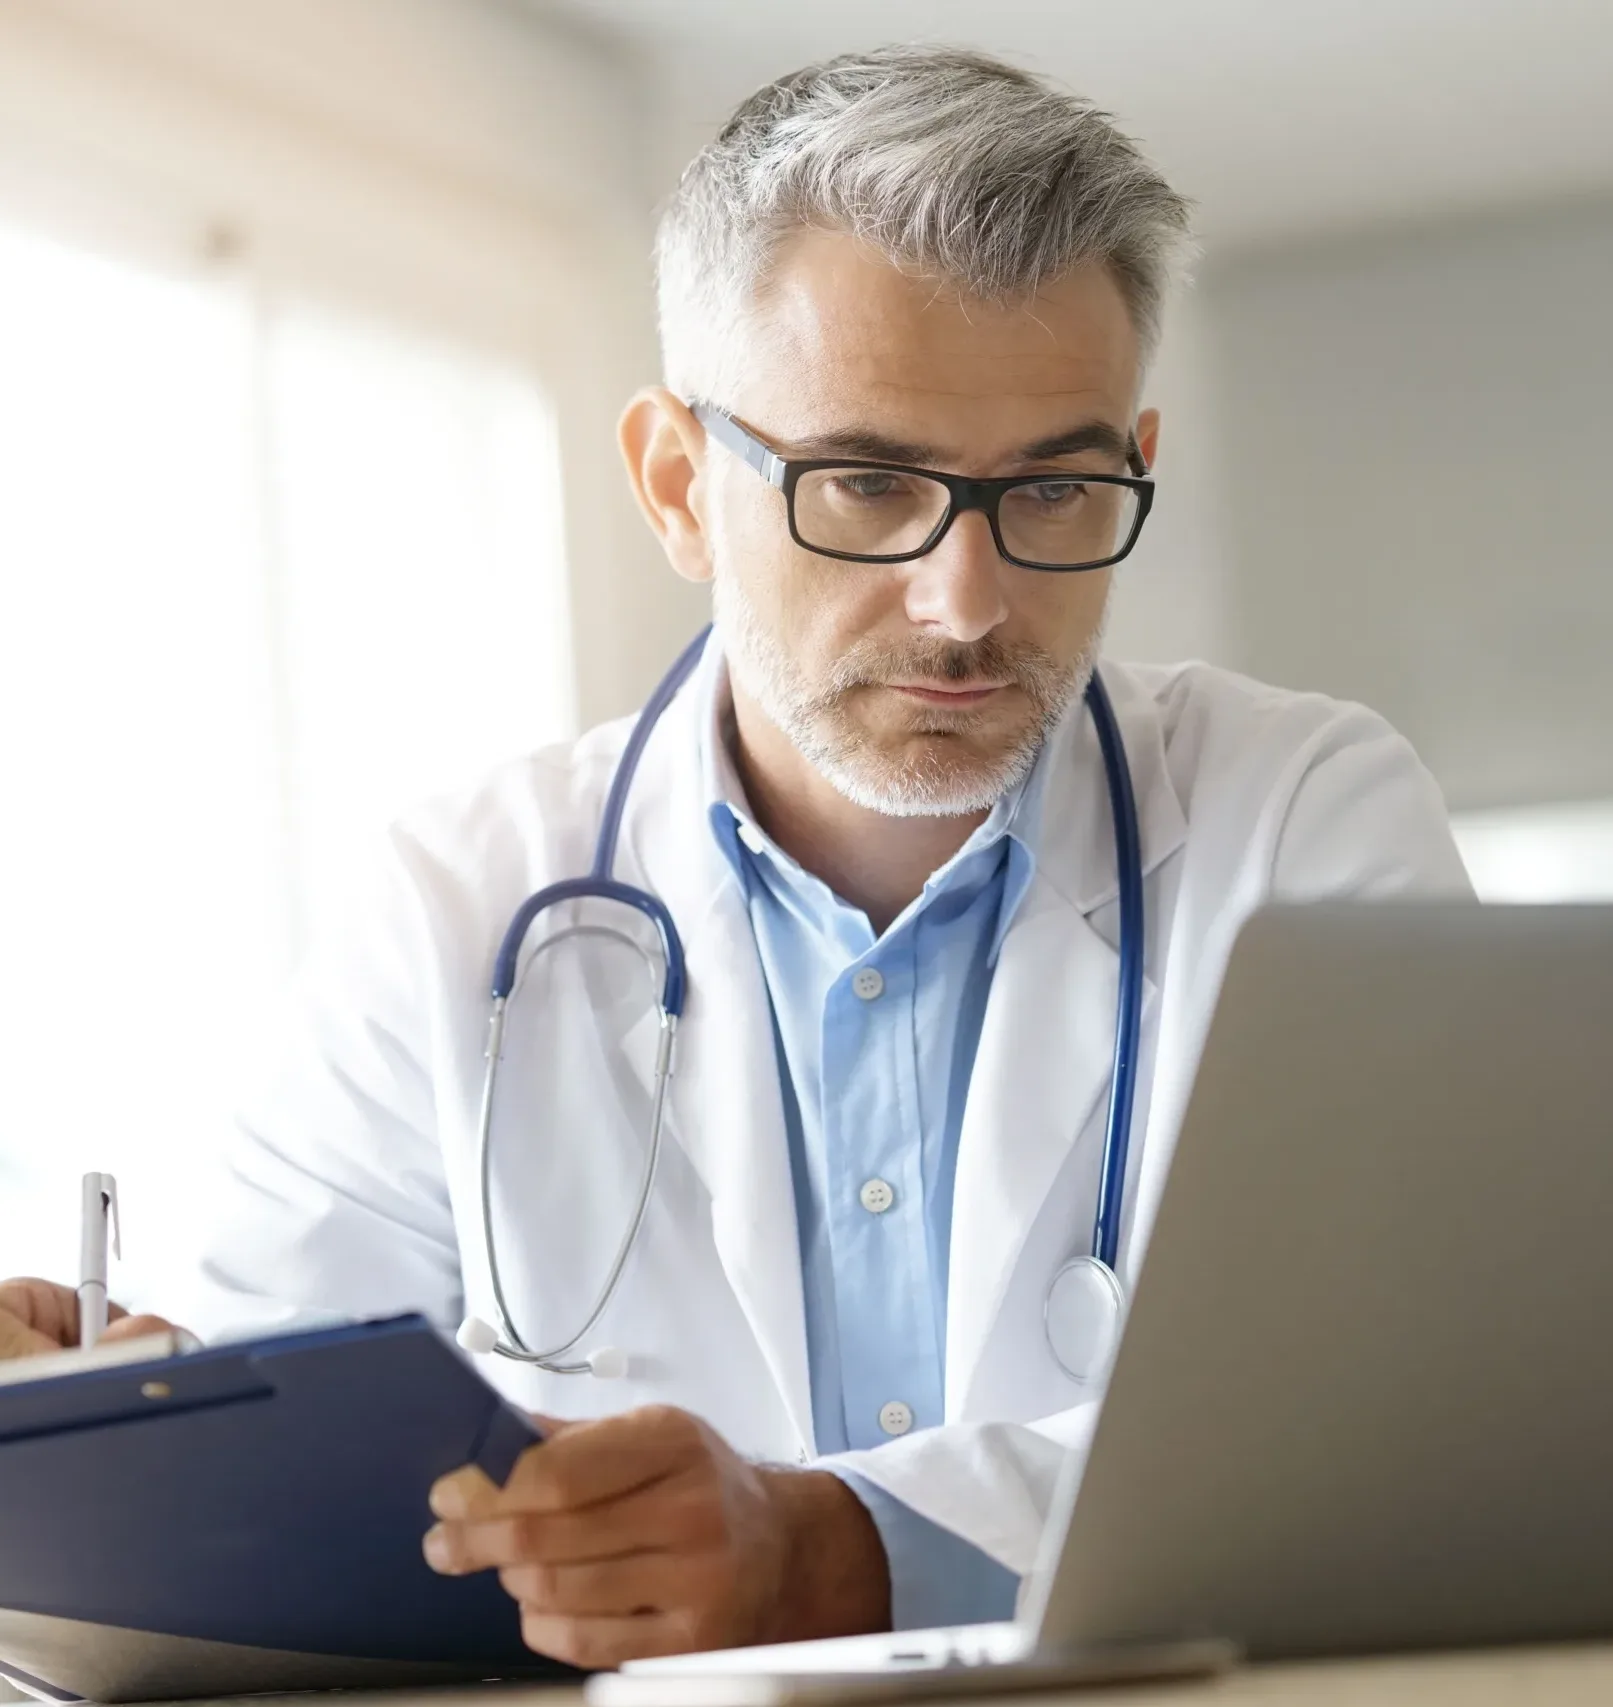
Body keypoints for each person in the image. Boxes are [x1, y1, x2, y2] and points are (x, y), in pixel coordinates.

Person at [0, 44, 1471, 1669]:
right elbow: (276, 1479)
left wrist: (832, 1550)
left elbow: (1402, 1420)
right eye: (867, 481)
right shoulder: (451, 914)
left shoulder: (1300, 818)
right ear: (677, 483)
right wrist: (109, 1435)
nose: (968, 601)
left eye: (1053, 485)